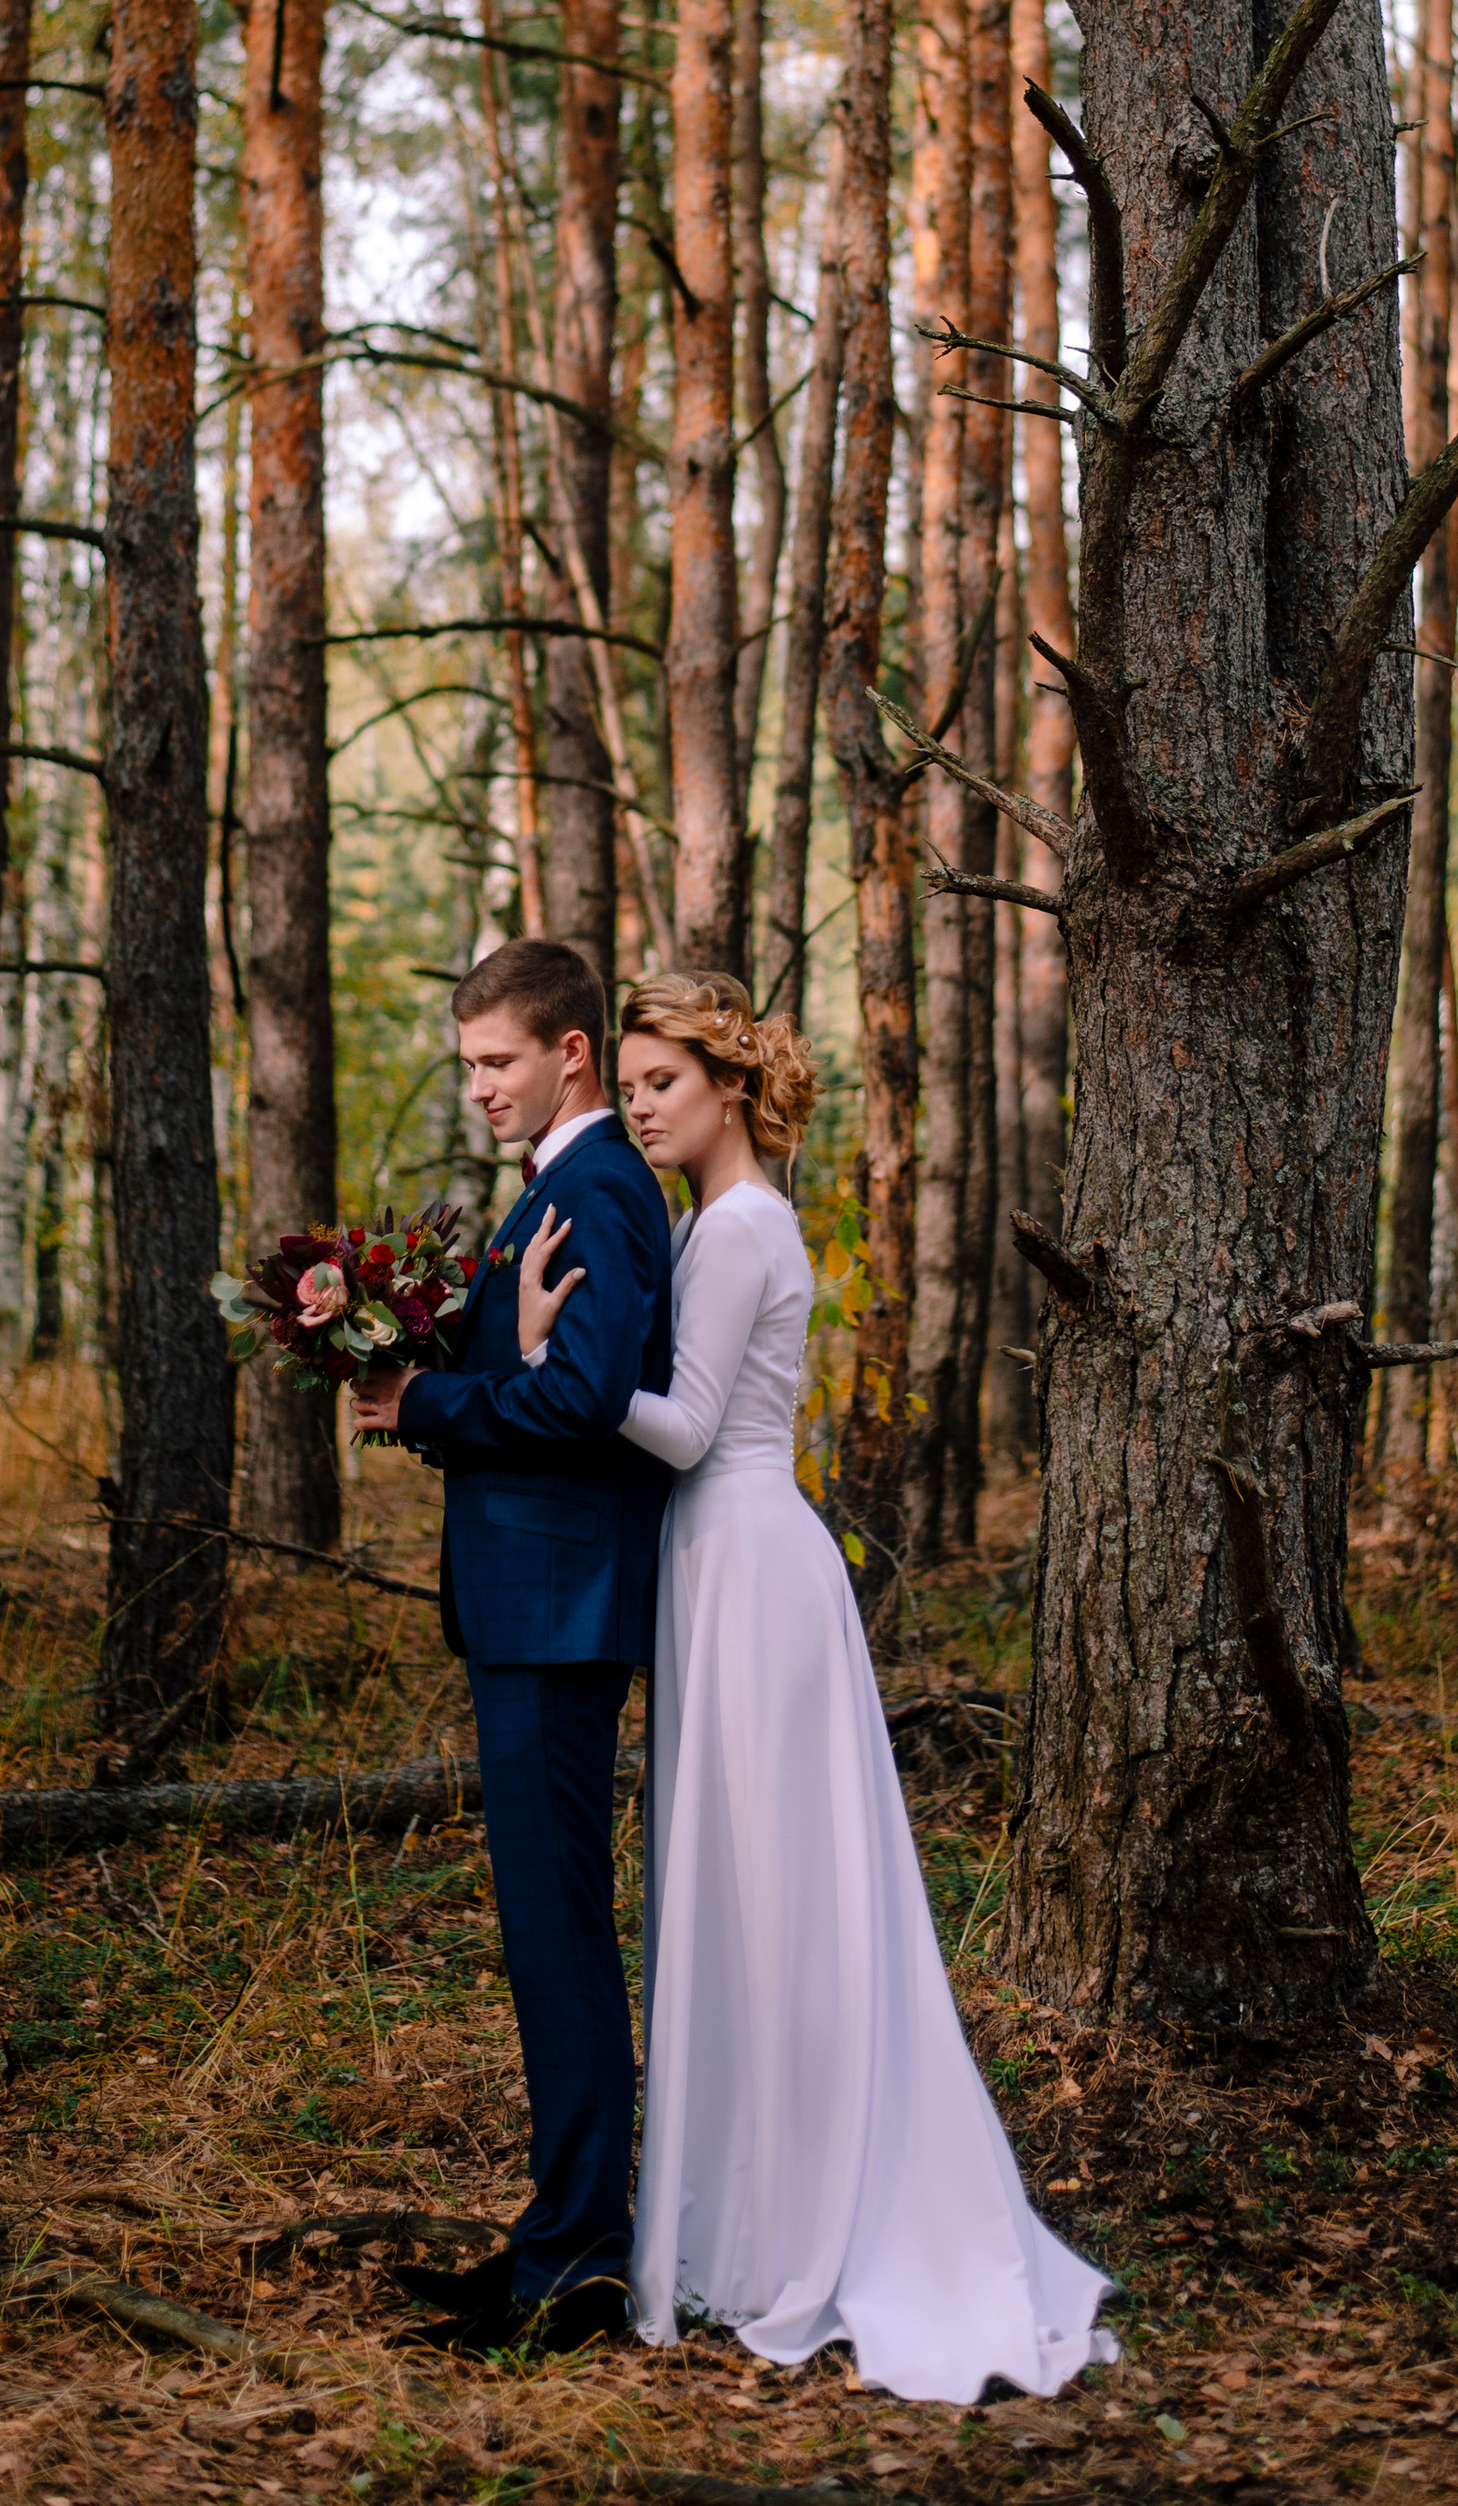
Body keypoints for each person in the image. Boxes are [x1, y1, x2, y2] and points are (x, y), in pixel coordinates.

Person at [517, 968, 1117, 2407]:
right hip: (732, 1562)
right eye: (636, 1083)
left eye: (663, 1083)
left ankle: (810, 2220)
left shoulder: (739, 1226)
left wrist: (550, 1354)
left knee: (775, 1895)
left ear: (730, 1088)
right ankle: (771, 2205)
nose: (642, 1106)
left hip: (746, 1556)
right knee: (755, 1895)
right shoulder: (717, 1219)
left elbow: (684, 1426)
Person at [349, 937, 675, 2353]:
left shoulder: (600, 1186)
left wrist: (428, 1400)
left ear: (571, 1053)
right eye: (468, 1061)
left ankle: (580, 2262)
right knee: (547, 1940)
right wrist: (444, 1364)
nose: (477, 1085)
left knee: (562, 1940)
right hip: (529, 1603)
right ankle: (559, 2238)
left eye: (497, 1060)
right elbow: (528, 1380)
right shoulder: (557, 1185)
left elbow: (588, 1401)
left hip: (560, 1610)